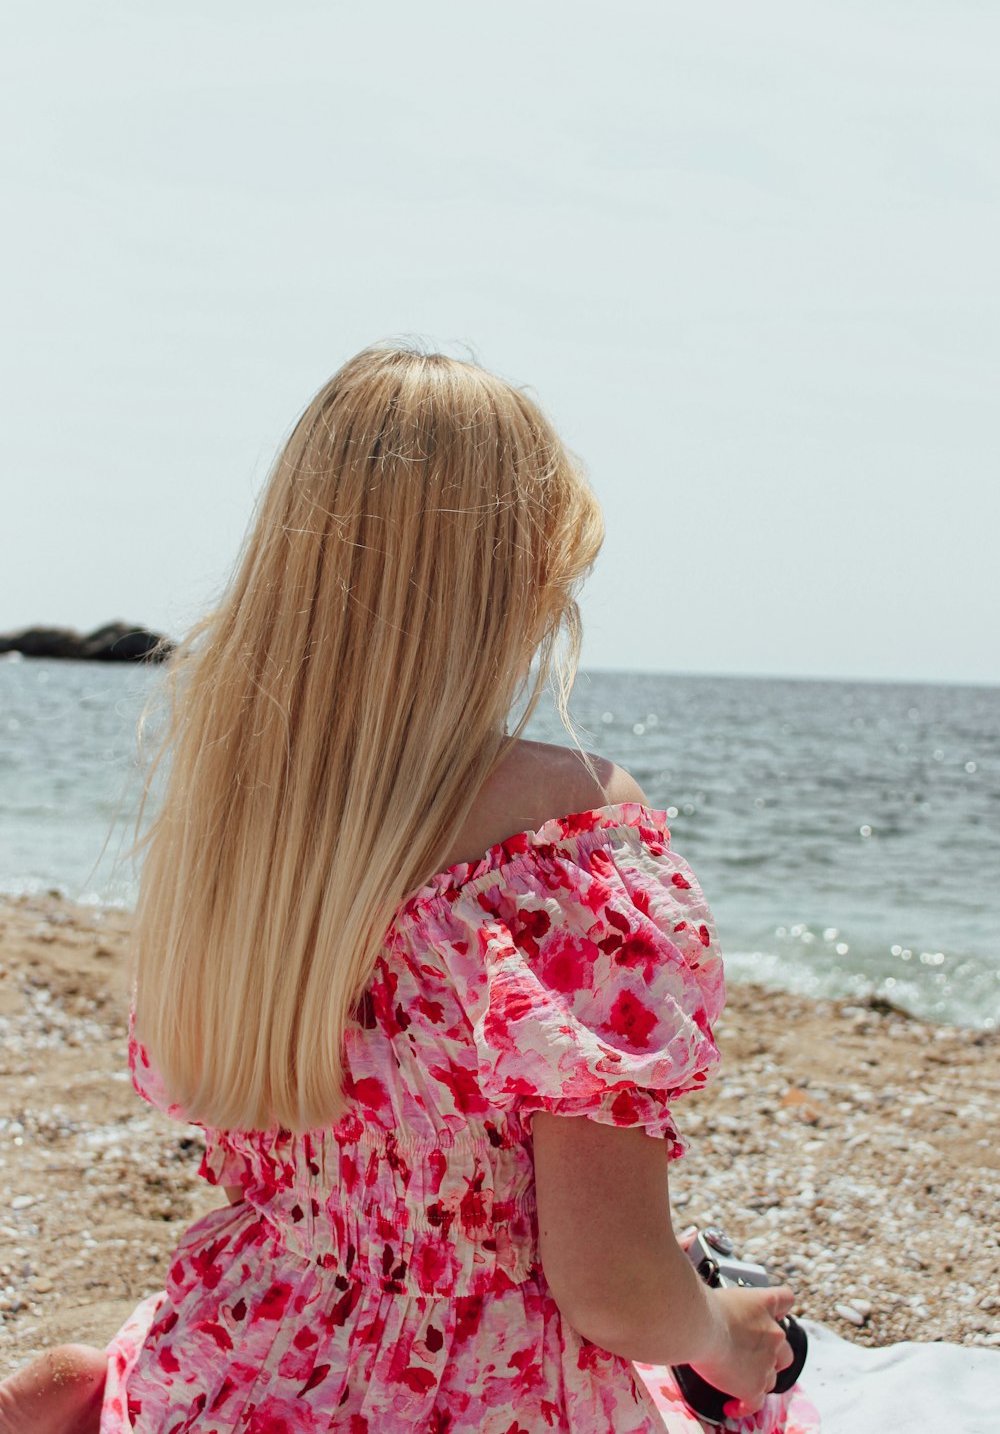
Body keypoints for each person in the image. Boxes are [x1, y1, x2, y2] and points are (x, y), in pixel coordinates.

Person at [0, 346, 817, 1433]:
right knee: (737, 1388)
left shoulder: (234, 824)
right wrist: (722, 1335)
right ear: (520, 579)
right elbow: (612, 1286)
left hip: (241, 1348)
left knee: (105, 1373)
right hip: (473, 1391)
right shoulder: (565, 838)